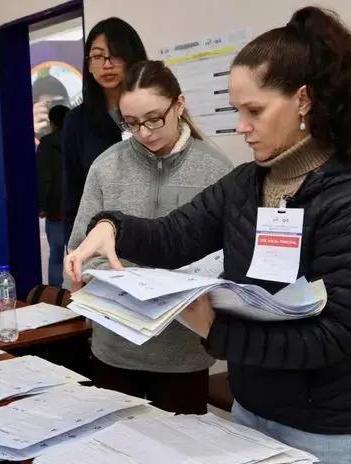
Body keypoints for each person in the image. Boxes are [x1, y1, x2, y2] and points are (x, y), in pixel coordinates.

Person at [66, 7, 351, 463]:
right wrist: (111, 227)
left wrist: (213, 329)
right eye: (237, 110)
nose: (241, 126)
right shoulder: (247, 183)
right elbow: (174, 236)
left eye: (254, 110)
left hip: (332, 429)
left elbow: (331, 337)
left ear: (304, 100)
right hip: (252, 410)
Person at [68, 60, 232, 414]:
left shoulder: (217, 170)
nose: (143, 132)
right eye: (131, 123)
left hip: (182, 353)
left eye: (154, 118)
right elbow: (79, 249)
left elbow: (230, 259)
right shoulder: (106, 166)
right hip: (115, 348)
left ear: (180, 105)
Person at [62, 17, 147, 242]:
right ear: (88, 64)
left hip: (152, 235)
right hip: (98, 241)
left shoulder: (153, 112)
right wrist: (73, 249)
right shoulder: (77, 121)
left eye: (116, 55)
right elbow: (73, 195)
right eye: (98, 56)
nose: (107, 65)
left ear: (133, 58)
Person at [37, 104, 70, 287]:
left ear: (52, 123)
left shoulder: (47, 145)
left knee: (56, 257)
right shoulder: (78, 142)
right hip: (76, 209)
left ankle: (55, 294)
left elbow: (44, 178)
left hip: (56, 210)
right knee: (80, 255)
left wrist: (41, 205)